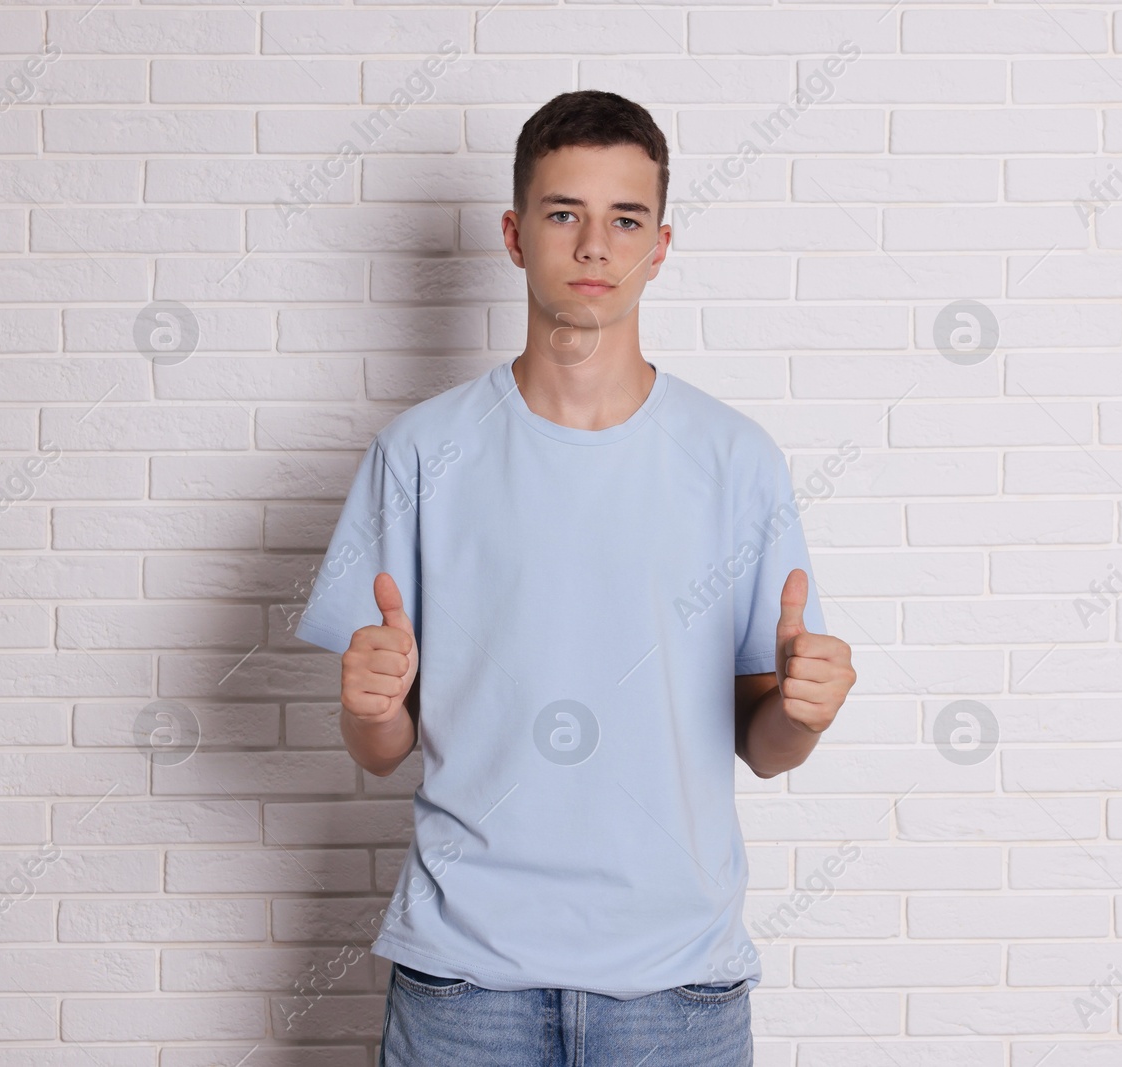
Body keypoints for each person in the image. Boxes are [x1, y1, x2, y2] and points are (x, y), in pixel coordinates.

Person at [292, 89, 857, 1067]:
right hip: (463, 980)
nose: (594, 245)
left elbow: (765, 746)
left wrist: (802, 715)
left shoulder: (736, 459)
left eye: (624, 218)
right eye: (564, 213)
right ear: (515, 235)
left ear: (660, 243)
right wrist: (368, 704)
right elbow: (380, 746)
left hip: (676, 986)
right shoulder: (420, 452)